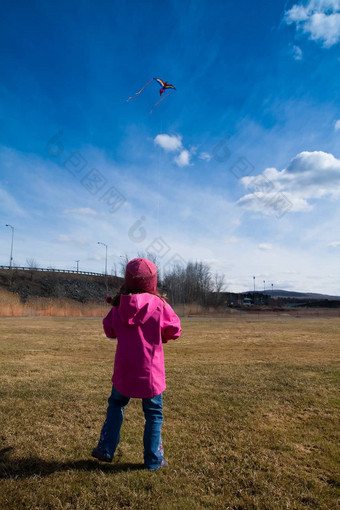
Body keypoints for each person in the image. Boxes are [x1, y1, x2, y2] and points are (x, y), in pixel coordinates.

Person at [92, 257, 181, 470]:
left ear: (128, 280)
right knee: (153, 413)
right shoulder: (160, 306)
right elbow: (175, 329)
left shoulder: (118, 306)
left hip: (124, 370)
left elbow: (108, 329)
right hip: (151, 373)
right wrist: (161, 336)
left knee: (116, 404)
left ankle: (106, 448)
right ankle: (153, 459)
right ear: (152, 282)